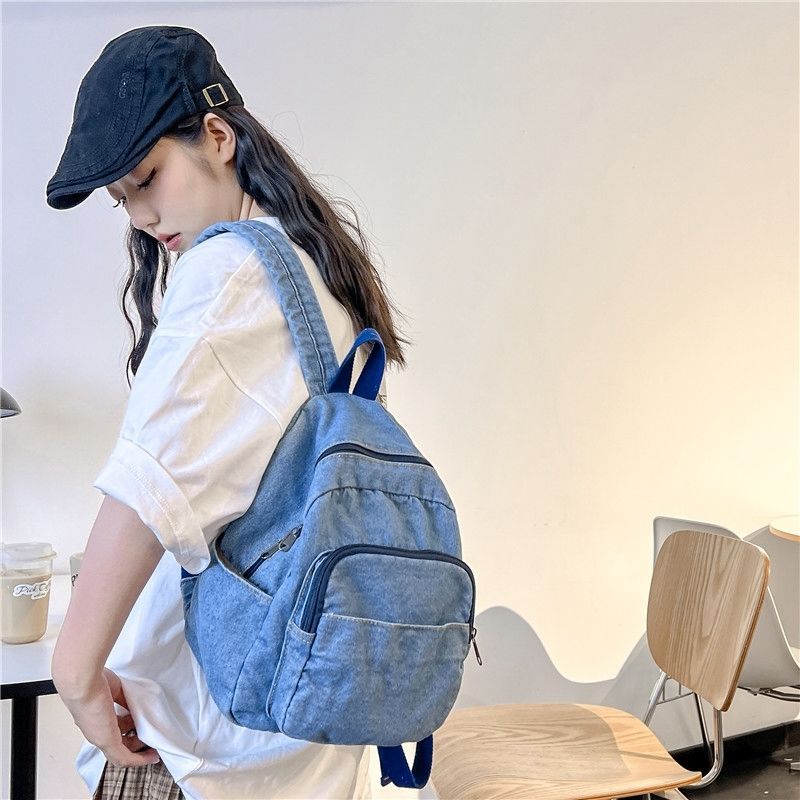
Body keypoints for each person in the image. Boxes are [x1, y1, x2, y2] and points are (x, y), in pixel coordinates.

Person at [46, 25, 407, 800]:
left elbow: (150, 483)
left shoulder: (229, 270)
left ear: (217, 136)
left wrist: (74, 670)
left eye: (148, 178)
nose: (141, 215)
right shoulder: (316, 268)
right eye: (122, 200)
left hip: (188, 744)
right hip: (296, 741)